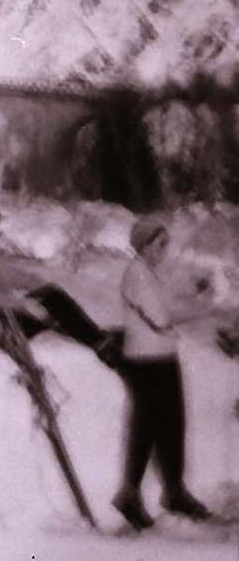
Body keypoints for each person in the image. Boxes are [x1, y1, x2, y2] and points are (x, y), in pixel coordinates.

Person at [112, 214, 213, 530]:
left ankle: (173, 490)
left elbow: (170, 304)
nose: (165, 249)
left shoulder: (151, 273)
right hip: (146, 362)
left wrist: (197, 295)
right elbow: (160, 317)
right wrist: (201, 309)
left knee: (172, 426)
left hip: (162, 358)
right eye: (160, 244)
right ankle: (131, 494)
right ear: (143, 245)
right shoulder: (137, 275)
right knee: (146, 430)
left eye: (166, 243)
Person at [0, 197, 121, 365]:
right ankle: (100, 344)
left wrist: (42, 285)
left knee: (51, 298)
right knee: (50, 305)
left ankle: (95, 337)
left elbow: (13, 274)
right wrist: (26, 304)